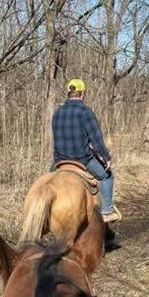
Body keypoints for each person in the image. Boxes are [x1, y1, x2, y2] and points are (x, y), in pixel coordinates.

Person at [52, 78, 121, 223]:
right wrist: (105, 157)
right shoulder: (85, 111)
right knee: (108, 176)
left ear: (69, 93)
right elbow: (96, 138)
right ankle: (106, 211)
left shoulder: (57, 112)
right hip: (82, 159)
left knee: (48, 183)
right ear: (82, 93)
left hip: (59, 160)